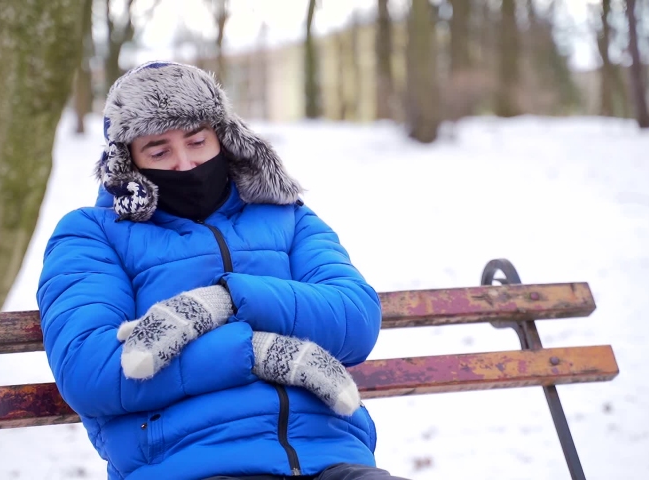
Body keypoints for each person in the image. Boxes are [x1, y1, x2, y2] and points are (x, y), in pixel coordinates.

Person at [37, 61, 409, 480]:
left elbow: (356, 318)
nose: (185, 163)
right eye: (159, 151)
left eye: (197, 141)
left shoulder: (287, 218)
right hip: (188, 462)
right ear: (129, 163)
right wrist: (257, 352)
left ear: (223, 138)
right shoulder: (92, 235)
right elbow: (91, 369)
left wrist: (223, 302)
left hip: (330, 457)